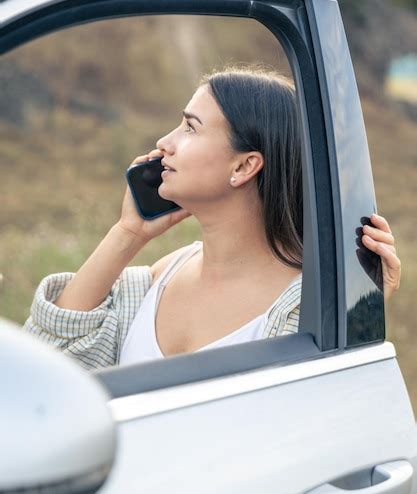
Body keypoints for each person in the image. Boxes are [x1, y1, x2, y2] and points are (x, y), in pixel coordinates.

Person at [23, 67, 401, 369]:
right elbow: (49, 364)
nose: (164, 143)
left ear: (244, 166)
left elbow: (311, 422)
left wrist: (357, 311)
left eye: (190, 127)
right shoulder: (165, 274)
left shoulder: (302, 307)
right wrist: (128, 233)